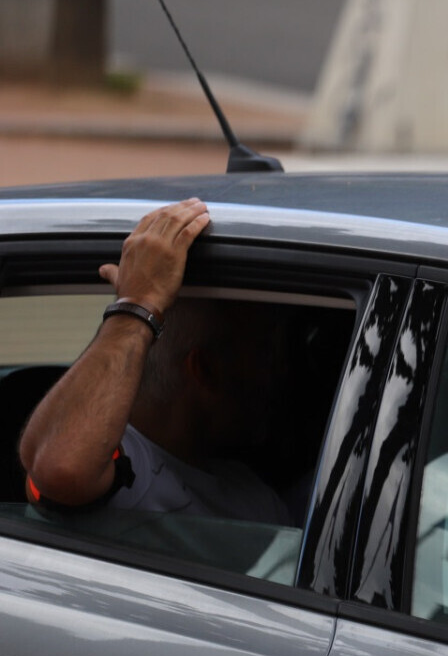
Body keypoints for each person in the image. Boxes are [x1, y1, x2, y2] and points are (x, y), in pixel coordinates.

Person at [18, 198, 290, 525]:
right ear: (204, 369)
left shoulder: (251, 492)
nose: (280, 371)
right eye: (263, 352)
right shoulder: (126, 460)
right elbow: (57, 467)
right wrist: (137, 303)